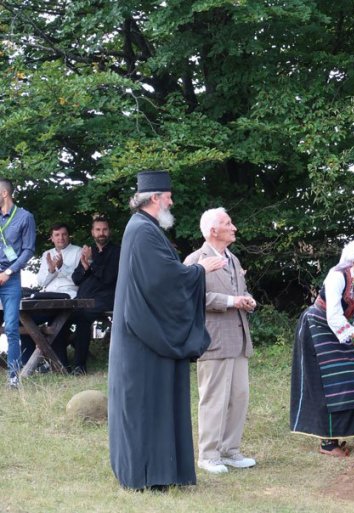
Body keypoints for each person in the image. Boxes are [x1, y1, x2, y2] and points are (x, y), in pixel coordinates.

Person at [108, 170, 226, 491]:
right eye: (168, 197)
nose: (172, 202)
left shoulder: (144, 228)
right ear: (155, 198)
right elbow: (161, 280)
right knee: (144, 405)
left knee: (153, 404)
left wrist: (191, 272)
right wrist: (198, 270)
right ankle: (147, 475)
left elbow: (163, 276)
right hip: (142, 338)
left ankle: (160, 472)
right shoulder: (141, 230)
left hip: (145, 334)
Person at [290, 236, 354, 457]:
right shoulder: (338, 276)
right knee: (327, 381)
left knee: (350, 379)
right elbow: (333, 315)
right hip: (317, 325)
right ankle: (327, 443)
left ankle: (338, 434)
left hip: (339, 328)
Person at [184, 207, 257, 474]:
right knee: (213, 398)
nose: (234, 227)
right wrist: (230, 301)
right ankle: (208, 455)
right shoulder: (195, 260)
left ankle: (230, 451)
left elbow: (240, 290)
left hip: (238, 338)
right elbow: (190, 298)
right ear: (213, 230)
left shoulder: (233, 259)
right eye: (228, 223)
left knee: (239, 396)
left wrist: (247, 300)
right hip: (212, 340)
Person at [20, 223, 81, 366]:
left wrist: (62, 267)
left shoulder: (78, 252)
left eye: (64, 234)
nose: (61, 238)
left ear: (69, 236)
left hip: (68, 298)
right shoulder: (46, 254)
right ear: (51, 238)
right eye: (57, 235)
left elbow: (78, 279)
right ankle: (27, 363)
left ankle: (59, 365)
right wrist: (52, 270)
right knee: (23, 320)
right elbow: (42, 281)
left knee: (57, 324)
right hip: (47, 298)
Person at [66, 215, 120, 374]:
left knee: (83, 316)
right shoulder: (89, 251)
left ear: (109, 231)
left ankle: (79, 366)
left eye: (104, 229)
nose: (101, 233)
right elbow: (76, 279)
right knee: (60, 317)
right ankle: (59, 362)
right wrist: (84, 265)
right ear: (92, 232)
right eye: (98, 230)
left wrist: (91, 263)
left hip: (106, 299)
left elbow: (108, 278)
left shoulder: (117, 252)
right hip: (82, 299)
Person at [0, 178, 36, 389]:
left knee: (12, 328)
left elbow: (28, 250)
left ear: (4, 193)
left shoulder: (25, 217)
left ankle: (14, 377)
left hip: (10, 278)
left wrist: (8, 272)